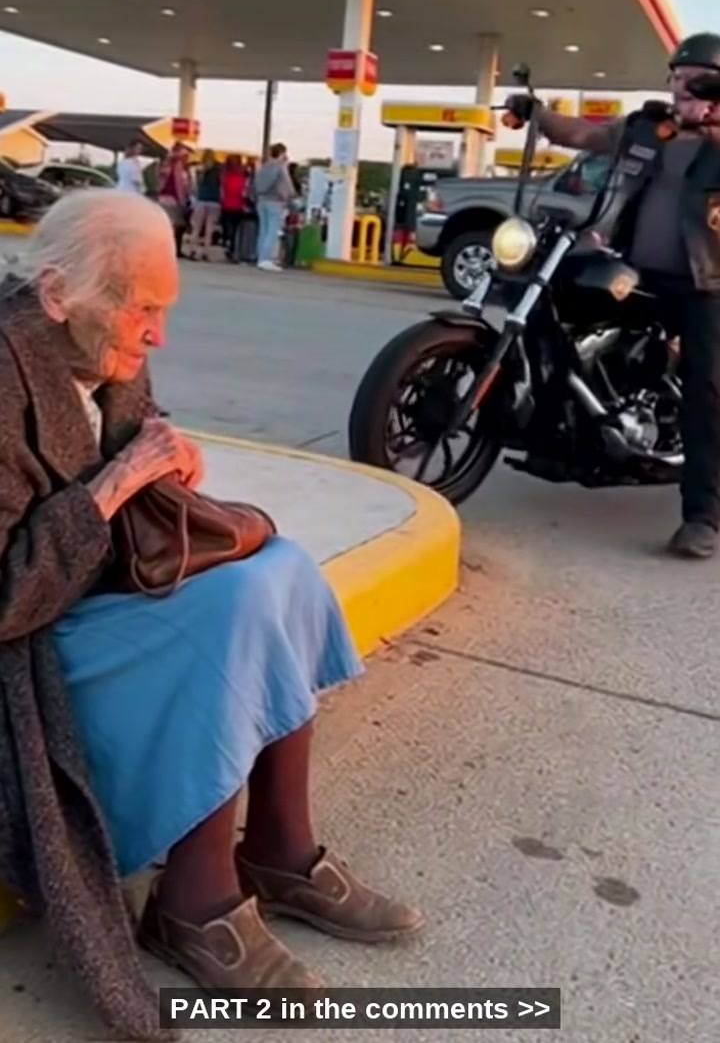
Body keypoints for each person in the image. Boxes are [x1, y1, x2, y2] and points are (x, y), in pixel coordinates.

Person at [0, 190, 423, 1040]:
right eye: (144, 309)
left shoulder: (93, 328)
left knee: (283, 566)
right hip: (30, 645)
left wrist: (164, 450)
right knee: (226, 609)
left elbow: (130, 424)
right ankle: (196, 901)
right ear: (55, 293)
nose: (158, 333)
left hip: (95, 593)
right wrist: (115, 486)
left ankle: (281, 847)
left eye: (165, 306)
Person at [507, 32, 720, 559]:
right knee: (549, 301)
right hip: (635, 271)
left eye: (694, 83)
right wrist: (536, 113)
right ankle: (559, 430)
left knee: (705, 391)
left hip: (703, 285)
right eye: (675, 79)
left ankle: (703, 518)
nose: (680, 91)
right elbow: (583, 134)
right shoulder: (646, 128)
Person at [254, 141, 296, 271]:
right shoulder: (280, 167)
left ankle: (260, 257)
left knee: (263, 231)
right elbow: (286, 186)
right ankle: (266, 259)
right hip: (275, 201)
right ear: (282, 153)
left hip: (261, 200)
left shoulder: (264, 166)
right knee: (272, 231)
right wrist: (291, 196)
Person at [158, 141, 193, 258]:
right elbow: (178, 184)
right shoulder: (178, 166)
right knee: (175, 225)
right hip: (173, 198)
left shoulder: (166, 163)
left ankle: (168, 248)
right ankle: (173, 249)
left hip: (164, 196)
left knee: (169, 224)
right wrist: (183, 199)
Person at [188, 148, 222, 260]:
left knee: (196, 228)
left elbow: (195, 185)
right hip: (214, 201)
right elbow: (221, 185)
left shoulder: (199, 169)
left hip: (201, 200)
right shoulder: (218, 169)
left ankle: (193, 250)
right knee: (209, 229)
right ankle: (205, 252)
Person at [220, 154, 253, 262]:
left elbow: (222, 191)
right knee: (236, 230)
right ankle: (233, 249)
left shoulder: (225, 175)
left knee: (228, 227)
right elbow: (243, 192)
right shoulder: (242, 177)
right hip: (238, 205)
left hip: (226, 204)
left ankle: (228, 243)